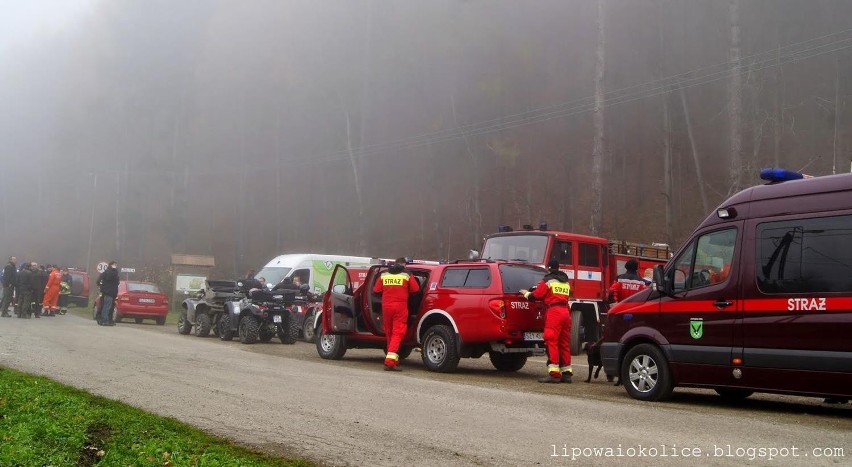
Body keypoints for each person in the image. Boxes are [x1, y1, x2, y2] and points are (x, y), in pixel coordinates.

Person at [520, 259, 573, 383]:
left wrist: (525, 293)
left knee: (551, 341)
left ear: (549, 268)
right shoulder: (565, 281)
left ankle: (554, 374)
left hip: (554, 312)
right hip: (566, 312)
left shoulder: (547, 280)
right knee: (564, 342)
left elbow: (536, 296)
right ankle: (567, 373)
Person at [372, 257, 420, 371]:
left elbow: (376, 290)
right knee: (398, 333)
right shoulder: (407, 275)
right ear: (404, 264)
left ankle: (393, 360)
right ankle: (389, 362)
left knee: (389, 333)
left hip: (386, 307)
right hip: (400, 307)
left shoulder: (384, 275)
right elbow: (416, 290)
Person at [96, 261, 119, 326]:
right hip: (110, 292)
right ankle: (105, 320)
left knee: (105, 306)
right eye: (114, 265)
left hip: (106, 292)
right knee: (107, 306)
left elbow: (98, 282)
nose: (115, 266)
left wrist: (102, 287)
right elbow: (116, 283)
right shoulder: (114, 274)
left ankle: (106, 320)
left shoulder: (105, 273)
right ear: (111, 265)